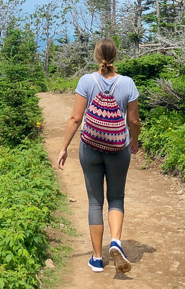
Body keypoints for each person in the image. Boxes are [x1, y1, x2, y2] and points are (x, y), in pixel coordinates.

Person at [57, 38, 141, 274]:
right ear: (116, 56)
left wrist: (64, 147)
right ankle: (115, 242)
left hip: (90, 147)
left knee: (95, 201)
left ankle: (96, 259)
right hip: (118, 148)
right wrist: (133, 140)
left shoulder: (86, 81)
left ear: (96, 56)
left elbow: (75, 118)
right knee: (116, 198)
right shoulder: (128, 83)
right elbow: (133, 120)